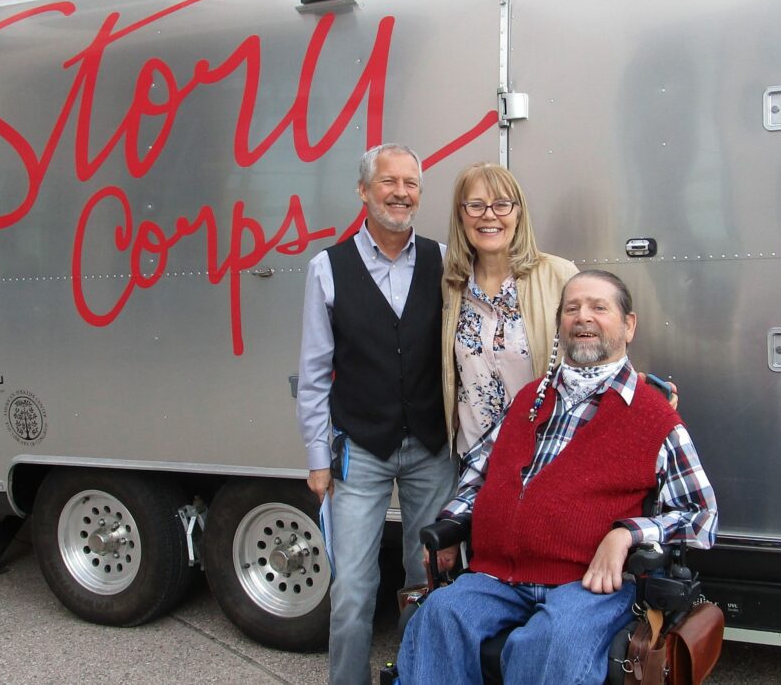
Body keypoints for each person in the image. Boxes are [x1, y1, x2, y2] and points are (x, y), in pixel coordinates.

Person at [398, 269, 718, 685]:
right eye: (572, 308)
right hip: (498, 575)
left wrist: (628, 534)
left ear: (629, 325)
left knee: (553, 641)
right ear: (560, 324)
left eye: (598, 307)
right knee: (440, 617)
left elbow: (701, 515)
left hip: (585, 584)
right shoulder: (529, 398)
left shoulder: (653, 416)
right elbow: (479, 474)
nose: (583, 317)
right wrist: (452, 523)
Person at [296, 144, 458, 684]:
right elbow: (315, 373)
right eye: (389, 182)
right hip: (360, 450)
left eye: (411, 183)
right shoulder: (329, 267)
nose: (401, 193)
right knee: (352, 590)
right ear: (364, 191)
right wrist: (319, 459)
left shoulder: (444, 261)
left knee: (429, 579)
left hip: (431, 450)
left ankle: (415, 675)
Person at [441, 163, 578, 455]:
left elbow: (596, 356)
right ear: (461, 216)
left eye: (502, 204)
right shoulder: (451, 286)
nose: (489, 215)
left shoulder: (559, 276)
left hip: (543, 457)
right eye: (475, 205)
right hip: (476, 465)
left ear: (518, 212)